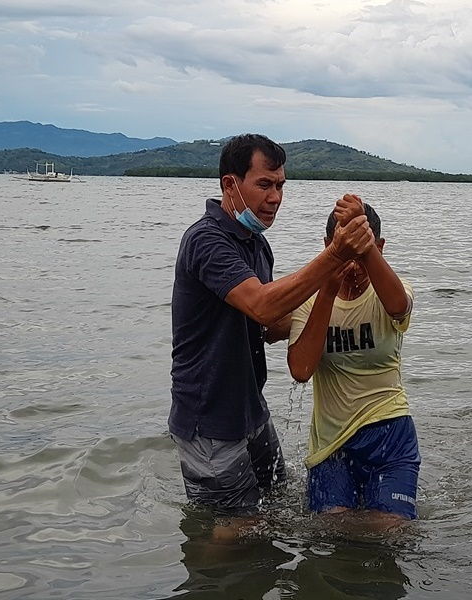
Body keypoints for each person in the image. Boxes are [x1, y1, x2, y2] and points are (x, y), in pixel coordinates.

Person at [169, 134, 375, 518]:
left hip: (251, 410)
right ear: (230, 184)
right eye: (264, 184)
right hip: (209, 422)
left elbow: (271, 324)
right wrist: (334, 256)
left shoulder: (257, 244)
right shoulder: (206, 240)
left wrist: (346, 305)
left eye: (281, 185)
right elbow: (262, 306)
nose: (276, 197)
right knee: (234, 532)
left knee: (280, 501)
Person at [287, 197, 419, 529]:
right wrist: (328, 289)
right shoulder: (311, 300)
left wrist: (364, 246)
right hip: (331, 441)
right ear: (327, 247)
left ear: (380, 248)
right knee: (329, 530)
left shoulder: (391, 289)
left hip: (388, 429)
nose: (354, 267)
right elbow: (301, 370)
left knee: (392, 529)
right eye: (345, 253)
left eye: (362, 254)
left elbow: (398, 306)